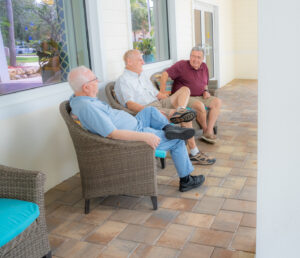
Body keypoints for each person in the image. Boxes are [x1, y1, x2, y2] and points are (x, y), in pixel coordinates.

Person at [67, 66, 205, 192]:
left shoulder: (79, 98)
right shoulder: (87, 108)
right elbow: (112, 134)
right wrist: (145, 137)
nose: (97, 81)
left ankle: (168, 128)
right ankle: (186, 180)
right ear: (85, 87)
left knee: (150, 111)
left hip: (135, 123)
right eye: (94, 79)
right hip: (134, 133)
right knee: (178, 141)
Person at [115, 49, 216, 165]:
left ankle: (179, 111)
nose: (143, 62)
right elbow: (130, 104)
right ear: (129, 61)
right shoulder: (124, 80)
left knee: (185, 90)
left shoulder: (142, 75)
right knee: (185, 116)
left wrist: (168, 96)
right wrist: (152, 112)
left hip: (159, 102)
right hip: (149, 109)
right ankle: (194, 153)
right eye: (139, 60)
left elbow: (155, 93)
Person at [160, 46, 222, 144]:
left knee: (217, 102)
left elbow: (205, 82)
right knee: (199, 106)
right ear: (190, 56)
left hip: (201, 95)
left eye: (198, 57)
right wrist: (162, 92)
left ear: (202, 59)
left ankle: (210, 130)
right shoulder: (181, 65)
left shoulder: (204, 66)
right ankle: (205, 131)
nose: (195, 59)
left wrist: (206, 91)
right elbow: (164, 74)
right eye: (193, 56)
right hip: (185, 97)